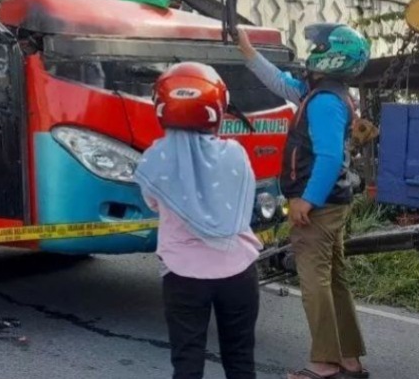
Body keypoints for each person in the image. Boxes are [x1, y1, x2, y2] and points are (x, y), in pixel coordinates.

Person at [237, 25, 371, 379]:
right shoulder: (325, 94)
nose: (312, 49)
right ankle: (349, 360)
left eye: (319, 46)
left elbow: (327, 158)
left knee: (315, 282)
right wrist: (249, 54)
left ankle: (324, 364)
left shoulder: (325, 102)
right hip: (333, 203)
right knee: (334, 280)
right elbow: (283, 84)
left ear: (332, 54)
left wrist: (306, 201)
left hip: (320, 206)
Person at [136, 62, 262, 379]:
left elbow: (152, 202)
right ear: (217, 107)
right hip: (238, 270)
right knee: (240, 360)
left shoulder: (155, 159)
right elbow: (243, 201)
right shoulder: (235, 153)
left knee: (187, 361)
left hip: (183, 275)